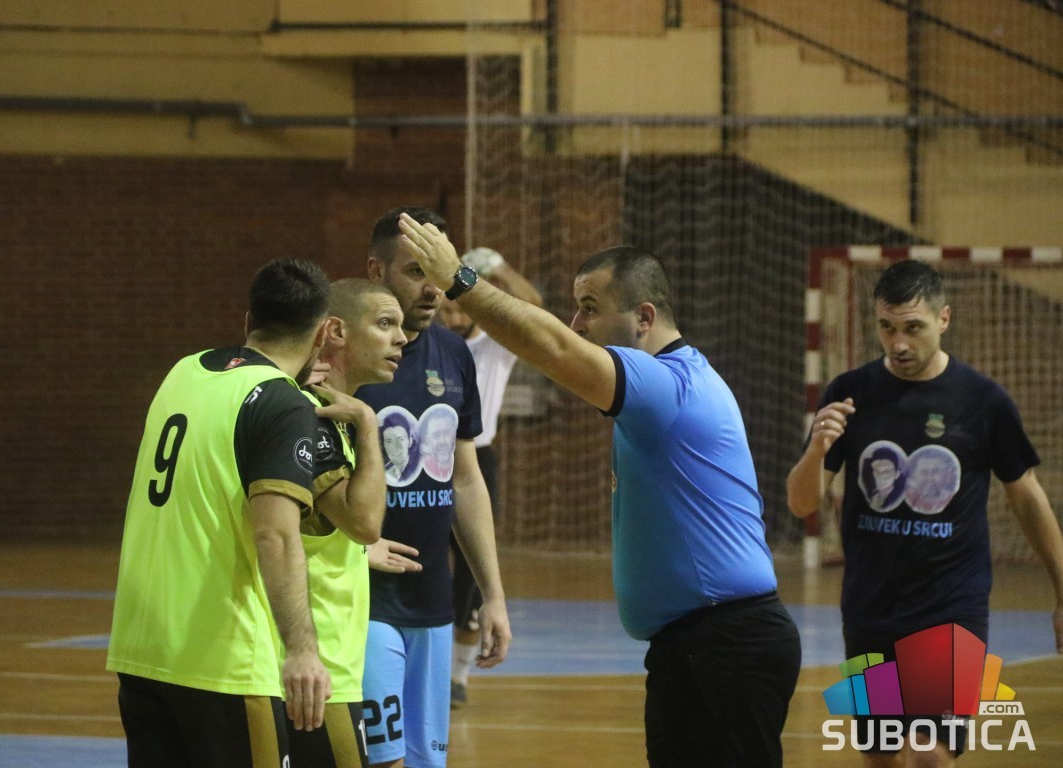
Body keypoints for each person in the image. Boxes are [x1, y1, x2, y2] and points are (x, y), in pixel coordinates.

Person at [400, 217, 801, 768]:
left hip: (730, 643)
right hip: (689, 645)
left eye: (590, 308)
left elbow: (554, 348)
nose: (577, 323)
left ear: (644, 318)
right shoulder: (669, 383)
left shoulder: (668, 385)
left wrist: (459, 280)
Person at [787, 259, 1063, 767]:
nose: (898, 344)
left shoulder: (983, 402)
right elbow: (802, 502)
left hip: (950, 608)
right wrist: (817, 450)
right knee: (881, 755)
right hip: (869, 609)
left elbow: (1026, 497)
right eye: (886, 327)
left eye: (912, 328)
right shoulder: (849, 394)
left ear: (944, 319)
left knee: (927, 753)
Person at [107, 257, 333, 768]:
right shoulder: (282, 402)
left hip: (141, 647)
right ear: (322, 335)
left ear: (248, 320)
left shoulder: (184, 371)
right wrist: (302, 650)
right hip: (221, 659)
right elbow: (276, 536)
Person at [356, 207, 512, 768]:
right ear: (376, 271)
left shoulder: (454, 353)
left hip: (434, 606)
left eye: (440, 272)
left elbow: (466, 480)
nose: (432, 289)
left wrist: (493, 594)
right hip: (362, 604)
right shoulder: (340, 358)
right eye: (415, 271)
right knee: (383, 762)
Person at [287, 278, 411, 767]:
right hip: (309, 663)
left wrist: (361, 547)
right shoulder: (310, 411)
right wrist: (369, 424)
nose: (401, 338)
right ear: (336, 332)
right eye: (384, 324)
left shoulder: (334, 412)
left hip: (334, 659)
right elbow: (363, 522)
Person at [437, 248, 542, 708]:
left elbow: (533, 307)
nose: (454, 317)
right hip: (428, 459)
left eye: (461, 307)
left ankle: (458, 676)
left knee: (472, 575)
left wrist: (498, 267)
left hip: (477, 460)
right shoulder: (430, 346)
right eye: (447, 309)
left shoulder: (494, 344)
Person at [379, 411, 418, 486]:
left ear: (410, 441)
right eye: (389, 441)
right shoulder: (384, 470)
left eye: (401, 439)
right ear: (384, 445)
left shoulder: (414, 469)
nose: (396, 447)